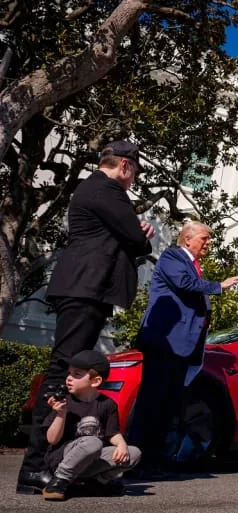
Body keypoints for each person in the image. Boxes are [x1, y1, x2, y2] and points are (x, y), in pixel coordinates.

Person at [17, 140, 156, 494]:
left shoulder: (95, 190)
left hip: (85, 288)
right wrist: (138, 236)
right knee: (63, 371)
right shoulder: (105, 189)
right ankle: (34, 469)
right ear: (124, 165)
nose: (133, 179)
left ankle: (53, 463)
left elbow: (125, 236)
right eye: (134, 172)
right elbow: (137, 241)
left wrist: (133, 234)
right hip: (84, 288)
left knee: (71, 372)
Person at [127, 221, 238, 477]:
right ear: (188, 239)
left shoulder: (192, 266)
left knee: (168, 404)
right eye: (205, 238)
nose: (208, 243)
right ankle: (136, 460)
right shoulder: (173, 257)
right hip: (165, 343)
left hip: (184, 349)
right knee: (152, 402)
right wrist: (218, 286)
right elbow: (184, 284)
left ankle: (155, 459)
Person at [41, 350, 141, 501]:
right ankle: (58, 482)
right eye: (69, 373)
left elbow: (112, 433)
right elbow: (52, 440)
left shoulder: (107, 404)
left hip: (91, 460)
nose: (69, 378)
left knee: (133, 453)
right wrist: (61, 414)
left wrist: (121, 445)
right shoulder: (65, 401)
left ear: (95, 381)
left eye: (77, 374)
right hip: (62, 460)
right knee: (93, 442)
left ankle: (95, 483)